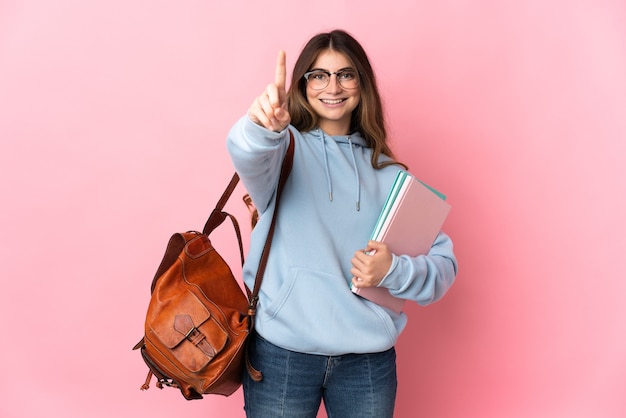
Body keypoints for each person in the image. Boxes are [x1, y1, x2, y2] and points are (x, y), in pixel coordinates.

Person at [226, 29, 457, 418]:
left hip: (366, 363)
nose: (332, 86)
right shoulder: (283, 149)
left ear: (361, 85)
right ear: (303, 84)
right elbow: (246, 151)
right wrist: (260, 126)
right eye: (318, 75)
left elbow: (444, 266)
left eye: (345, 74)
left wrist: (393, 271)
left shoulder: (389, 175)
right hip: (283, 355)